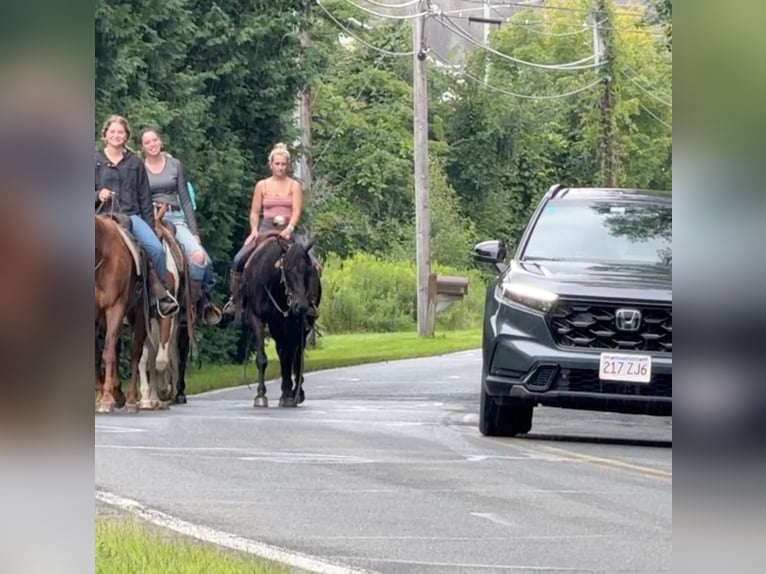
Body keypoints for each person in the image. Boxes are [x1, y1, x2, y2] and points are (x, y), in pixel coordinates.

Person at [222, 142, 319, 320]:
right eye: (277, 164)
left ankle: (311, 301)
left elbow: (296, 211)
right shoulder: (262, 185)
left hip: (289, 229)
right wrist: (253, 230)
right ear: (271, 164)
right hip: (266, 228)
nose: (280, 167)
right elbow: (254, 212)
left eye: (283, 164)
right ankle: (235, 300)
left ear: (287, 165)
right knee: (239, 260)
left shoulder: (294, 186)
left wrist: (289, 228)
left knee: (311, 262)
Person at [95, 115, 179, 317]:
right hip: (100, 218)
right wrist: (97, 194)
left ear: (126, 136)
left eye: (120, 132)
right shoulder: (93, 160)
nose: (116, 135)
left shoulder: (135, 162)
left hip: (130, 217)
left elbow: (144, 197)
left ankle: (157, 296)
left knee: (156, 250)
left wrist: (150, 227)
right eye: (112, 132)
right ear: (105, 135)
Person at [139, 126, 221, 325]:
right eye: (147, 142)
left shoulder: (175, 165)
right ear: (142, 146)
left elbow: (184, 198)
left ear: (161, 141)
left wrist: (194, 232)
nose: (152, 144)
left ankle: (192, 306)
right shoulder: (138, 168)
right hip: (149, 218)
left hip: (175, 217)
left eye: (154, 140)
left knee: (201, 257)